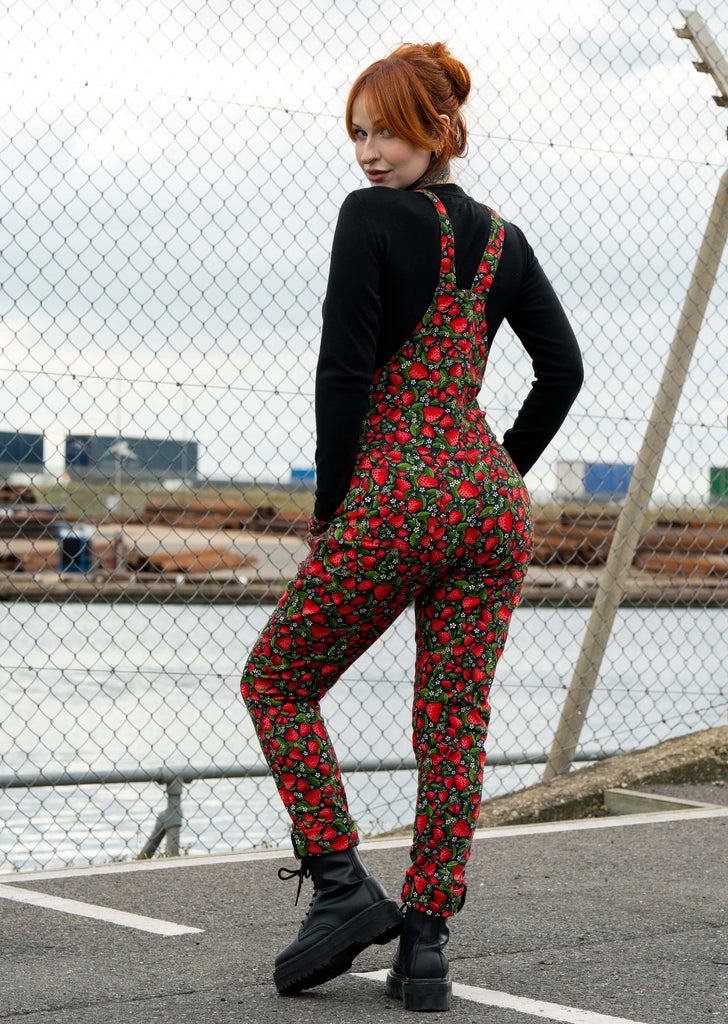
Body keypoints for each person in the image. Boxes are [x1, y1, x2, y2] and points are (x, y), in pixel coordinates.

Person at [240, 41, 583, 1012]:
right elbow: (562, 372)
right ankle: (425, 946)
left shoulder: (370, 219)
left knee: (276, 680)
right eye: (356, 132)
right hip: (486, 508)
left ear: (436, 127)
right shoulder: (505, 241)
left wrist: (330, 513)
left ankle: (343, 883)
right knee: (452, 720)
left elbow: (343, 375)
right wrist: (495, 473)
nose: (368, 151)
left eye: (385, 129)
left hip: (392, 494)